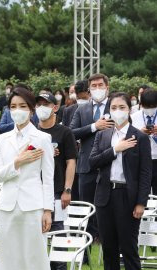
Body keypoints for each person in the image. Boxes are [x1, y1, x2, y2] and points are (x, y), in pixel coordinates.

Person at [0, 87, 54, 270]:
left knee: (34, 260)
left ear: (31, 110)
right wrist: (16, 162)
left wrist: (47, 210)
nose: (18, 111)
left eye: (23, 107)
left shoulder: (42, 139)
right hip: (7, 204)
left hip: (32, 205)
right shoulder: (1, 139)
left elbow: (48, 178)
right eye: (14, 107)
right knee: (13, 260)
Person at [89, 92, 151, 270]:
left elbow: (145, 174)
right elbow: (93, 161)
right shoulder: (103, 135)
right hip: (105, 195)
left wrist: (141, 203)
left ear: (129, 109)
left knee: (129, 248)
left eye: (121, 107)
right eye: (114, 107)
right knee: (109, 249)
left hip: (128, 196)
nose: (117, 111)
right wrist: (115, 150)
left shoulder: (139, 137)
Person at [36, 92, 77, 270]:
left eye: (45, 104)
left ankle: (60, 268)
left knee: (57, 229)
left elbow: (71, 162)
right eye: (38, 104)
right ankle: (39, 268)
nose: (41, 108)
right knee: (36, 230)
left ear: (54, 107)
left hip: (57, 188)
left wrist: (67, 189)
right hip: (34, 187)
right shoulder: (31, 131)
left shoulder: (65, 132)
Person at [70, 73, 112, 243]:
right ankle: (84, 251)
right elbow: (71, 133)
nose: (97, 89)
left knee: (108, 207)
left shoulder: (115, 106)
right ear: (89, 89)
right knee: (85, 208)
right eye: (93, 86)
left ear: (107, 87)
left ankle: (107, 243)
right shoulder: (82, 109)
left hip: (110, 163)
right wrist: (94, 126)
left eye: (100, 85)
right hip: (86, 165)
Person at [131, 89, 157, 193]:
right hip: (141, 160)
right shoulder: (133, 117)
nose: (150, 110)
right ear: (141, 104)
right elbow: (128, 138)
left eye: (153, 107)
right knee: (142, 192)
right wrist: (140, 133)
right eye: (147, 107)